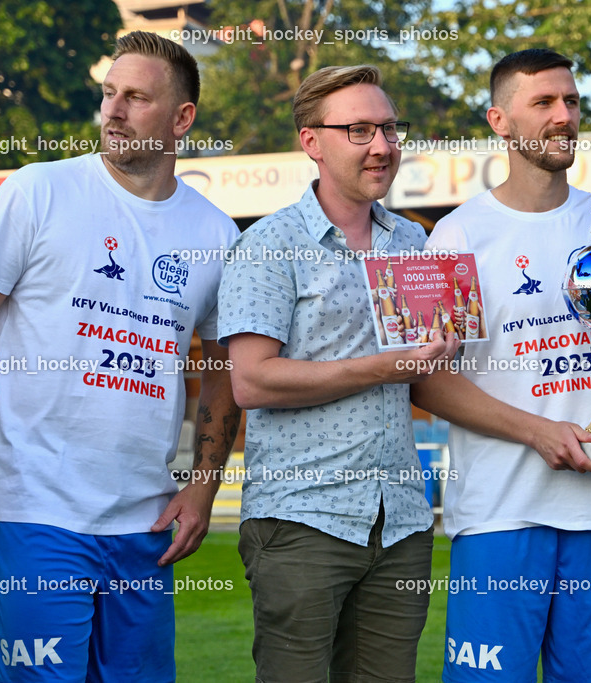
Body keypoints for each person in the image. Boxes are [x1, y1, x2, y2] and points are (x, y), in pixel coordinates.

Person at [0, 31, 241, 682]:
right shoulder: (38, 190)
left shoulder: (216, 233)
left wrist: (204, 483)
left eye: (137, 98)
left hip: (145, 523)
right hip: (32, 509)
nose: (114, 111)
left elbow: (222, 370)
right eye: (109, 93)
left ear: (182, 118)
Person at [218, 64, 460, 683]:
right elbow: (251, 381)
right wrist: (386, 366)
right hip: (302, 517)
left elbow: (426, 373)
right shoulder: (269, 244)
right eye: (358, 130)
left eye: (389, 129)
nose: (381, 145)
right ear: (312, 142)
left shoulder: (414, 242)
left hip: (400, 521)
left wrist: (443, 350)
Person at [411, 48, 591, 682]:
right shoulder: (458, 235)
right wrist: (539, 432)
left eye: (571, 101)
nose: (562, 115)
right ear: (500, 121)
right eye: (542, 102)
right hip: (500, 512)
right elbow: (429, 380)